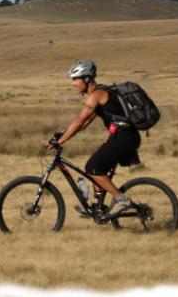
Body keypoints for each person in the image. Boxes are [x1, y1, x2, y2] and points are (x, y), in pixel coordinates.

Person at [47, 59, 141, 219]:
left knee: (93, 168)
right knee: (97, 167)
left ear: (87, 79)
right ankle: (98, 207)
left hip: (124, 138)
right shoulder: (99, 93)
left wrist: (60, 141)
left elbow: (78, 121)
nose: (73, 84)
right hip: (123, 137)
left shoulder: (97, 95)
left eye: (75, 79)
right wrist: (61, 134)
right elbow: (83, 124)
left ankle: (122, 200)